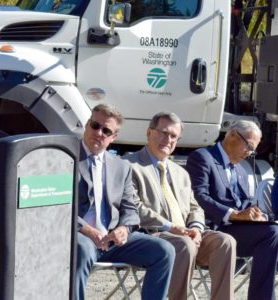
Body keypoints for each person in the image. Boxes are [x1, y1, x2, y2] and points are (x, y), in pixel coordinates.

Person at [124, 112, 236, 300]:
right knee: (184, 244)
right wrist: (172, 227)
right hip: (152, 235)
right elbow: (134, 206)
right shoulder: (129, 165)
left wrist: (196, 228)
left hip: (186, 234)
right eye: (163, 133)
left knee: (225, 242)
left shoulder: (180, 172)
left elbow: (195, 207)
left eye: (174, 136)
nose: (168, 140)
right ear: (149, 132)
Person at [76, 103, 175, 300]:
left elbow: (130, 209)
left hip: (112, 240)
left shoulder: (121, 167)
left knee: (164, 251)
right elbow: (58, 207)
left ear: (113, 137)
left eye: (106, 130)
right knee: (82, 250)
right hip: (80, 235)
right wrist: (86, 229)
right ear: (87, 125)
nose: (99, 133)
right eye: (95, 126)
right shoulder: (66, 157)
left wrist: (124, 229)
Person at [186, 120, 278, 299]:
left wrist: (256, 214)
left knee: (272, 229)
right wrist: (233, 214)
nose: (250, 153)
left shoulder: (240, 170)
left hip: (235, 231)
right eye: (249, 146)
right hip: (211, 231)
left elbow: (246, 203)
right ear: (233, 135)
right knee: (272, 233)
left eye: (253, 150)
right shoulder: (203, 157)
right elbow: (199, 197)